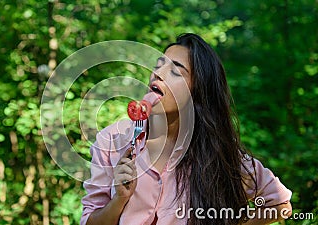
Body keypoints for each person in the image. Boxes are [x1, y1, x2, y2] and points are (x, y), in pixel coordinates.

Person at [80, 33, 292, 225]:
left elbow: (280, 204)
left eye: (174, 71)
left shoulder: (217, 154)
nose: (158, 74)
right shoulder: (112, 141)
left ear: (197, 93)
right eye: (158, 65)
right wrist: (119, 200)